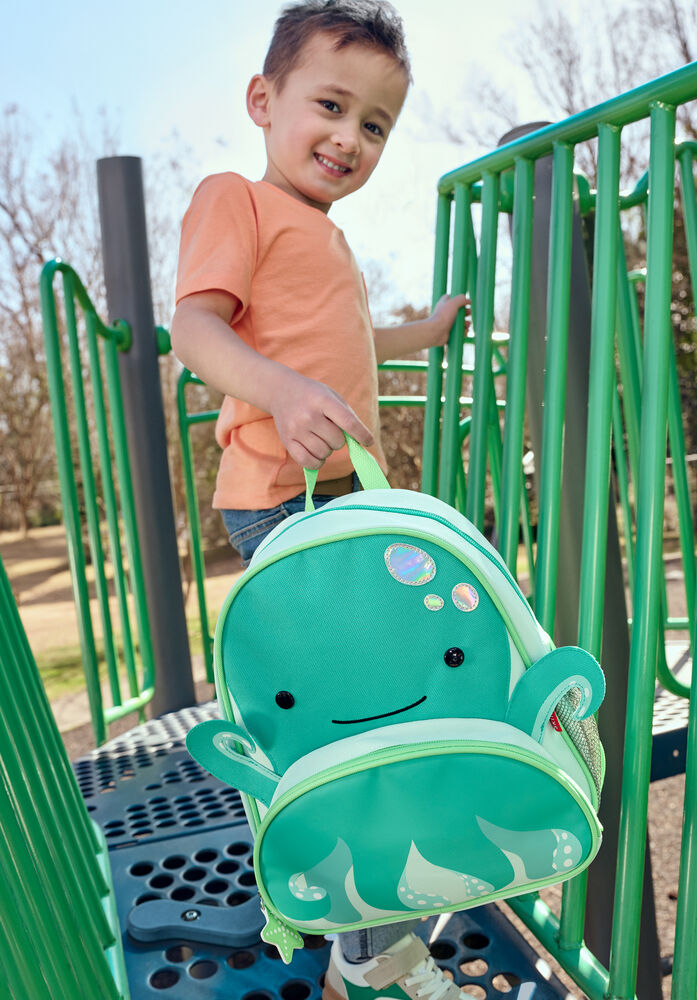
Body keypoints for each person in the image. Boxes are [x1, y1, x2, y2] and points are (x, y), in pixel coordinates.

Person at [171, 3, 471, 998]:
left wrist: (417, 335)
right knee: (355, 722)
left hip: (340, 496)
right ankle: (366, 949)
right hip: (282, 500)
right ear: (264, 102)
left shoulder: (325, 237)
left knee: (386, 709)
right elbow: (197, 332)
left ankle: (370, 928)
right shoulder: (236, 201)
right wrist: (281, 391)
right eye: (330, 106)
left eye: (374, 123)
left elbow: (338, 332)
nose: (349, 138)